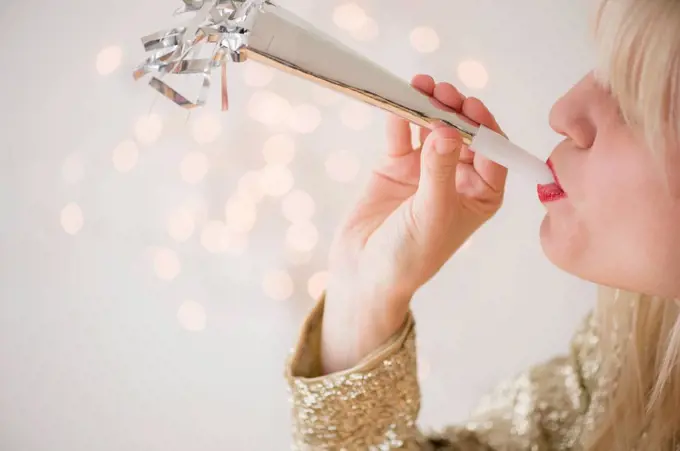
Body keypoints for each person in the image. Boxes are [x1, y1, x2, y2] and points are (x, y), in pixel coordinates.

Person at [285, 0, 680, 449]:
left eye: (633, 101)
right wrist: (365, 295)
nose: (563, 112)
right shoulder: (628, 355)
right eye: (603, 68)